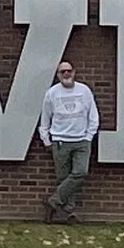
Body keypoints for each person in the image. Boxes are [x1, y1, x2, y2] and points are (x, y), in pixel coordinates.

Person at [38, 59, 101, 223]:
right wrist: (46, 141)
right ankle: (69, 214)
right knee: (63, 178)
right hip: (59, 141)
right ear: (58, 75)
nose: (66, 74)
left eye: (69, 71)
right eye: (62, 71)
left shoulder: (84, 91)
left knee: (81, 172)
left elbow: (93, 116)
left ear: (74, 72)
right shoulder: (52, 93)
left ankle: (52, 202)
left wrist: (89, 136)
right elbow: (45, 119)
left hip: (81, 141)